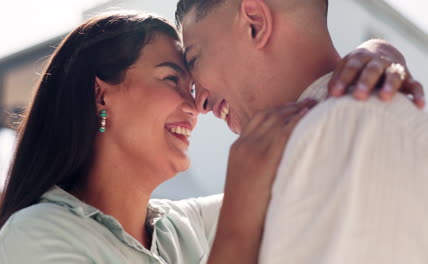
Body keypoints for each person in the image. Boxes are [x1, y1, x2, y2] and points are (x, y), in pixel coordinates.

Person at [0, 10, 421, 264]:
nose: (196, 106)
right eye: (173, 77)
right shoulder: (34, 237)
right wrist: (241, 204)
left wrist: (373, 55)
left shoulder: (183, 227)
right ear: (102, 94)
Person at [176, 0, 428, 263]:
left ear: (255, 24)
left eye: (194, 59)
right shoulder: (326, 140)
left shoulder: (346, 134)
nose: (199, 104)